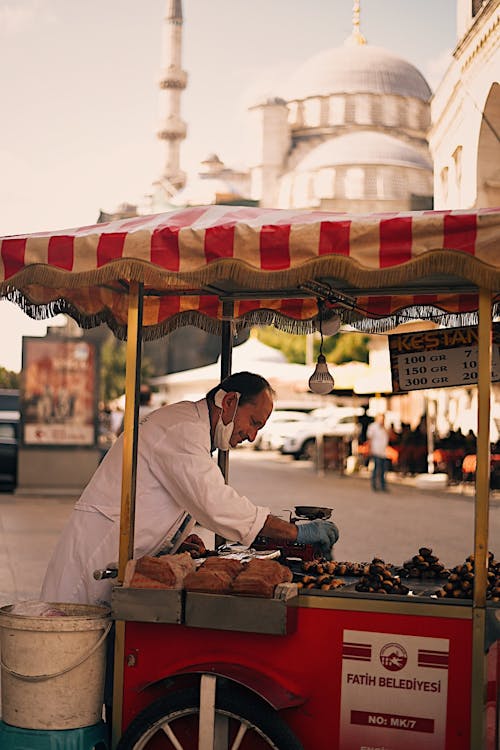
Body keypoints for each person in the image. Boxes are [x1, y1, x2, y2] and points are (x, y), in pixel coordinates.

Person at [41, 371, 339, 607]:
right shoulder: (181, 428)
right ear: (231, 402)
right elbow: (214, 502)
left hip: (119, 563)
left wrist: (175, 540)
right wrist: (295, 533)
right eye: (253, 422)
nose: (251, 436)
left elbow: (171, 497)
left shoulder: (192, 430)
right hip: (91, 566)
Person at [366, 413, 389, 492]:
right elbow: (370, 438)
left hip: (383, 451)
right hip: (376, 450)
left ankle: (382, 485)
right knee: (376, 468)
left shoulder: (384, 428)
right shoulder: (373, 427)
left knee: (383, 469)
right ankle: (374, 485)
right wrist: (370, 449)